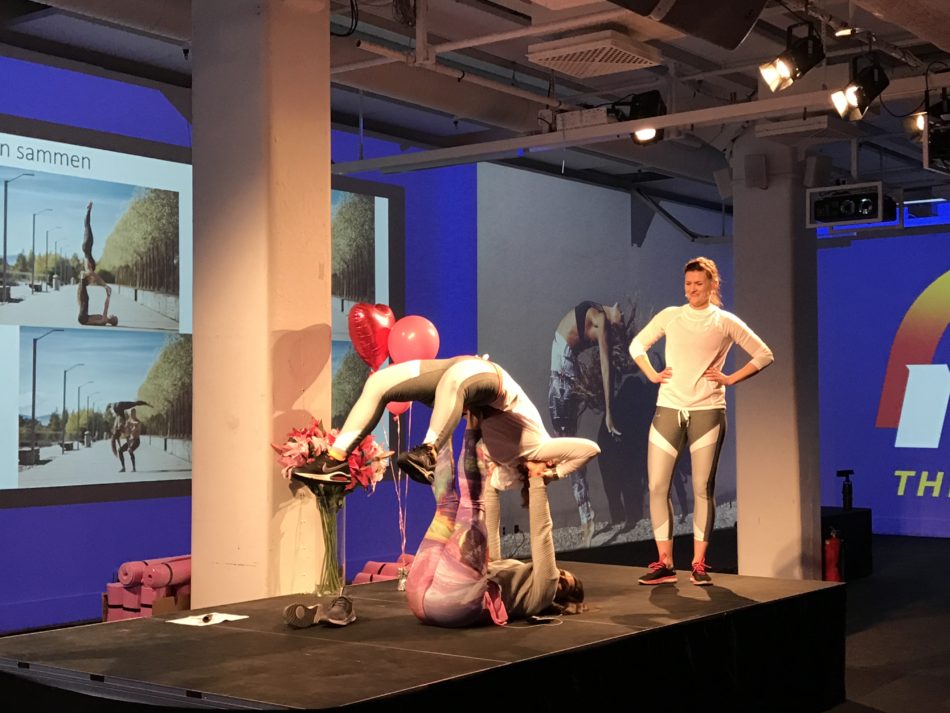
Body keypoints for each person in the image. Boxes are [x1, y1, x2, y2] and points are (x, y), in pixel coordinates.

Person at [628, 257, 773, 586]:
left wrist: (731, 378)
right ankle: (665, 563)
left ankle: (698, 564)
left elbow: (764, 354)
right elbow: (637, 344)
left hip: (707, 411)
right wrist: (652, 373)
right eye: (688, 284)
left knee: (701, 488)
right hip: (669, 408)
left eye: (698, 284)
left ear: (712, 285)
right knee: (656, 486)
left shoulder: (724, 321)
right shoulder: (671, 316)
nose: (692, 290)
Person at [292, 355, 600, 489]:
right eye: (542, 471)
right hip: (489, 379)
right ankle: (423, 453)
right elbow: (589, 449)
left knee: (381, 384)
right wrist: (554, 475)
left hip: (467, 383)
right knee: (384, 384)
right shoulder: (542, 446)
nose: (538, 474)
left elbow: (500, 481)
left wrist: (535, 483)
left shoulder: (507, 464)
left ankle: (337, 461)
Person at [405, 413, 590, 627]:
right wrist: (491, 479)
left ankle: (472, 422)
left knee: (472, 506)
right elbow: (489, 531)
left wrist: (537, 481)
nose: (559, 577)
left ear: (559, 598)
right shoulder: (510, 572)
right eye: (565, 574)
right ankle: (441, 422)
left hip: (453, 604)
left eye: (564, 586)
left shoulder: (543, 592)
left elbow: (542, 535)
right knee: (447, 505)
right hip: (420, 596)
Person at [549, 302, 625, 547]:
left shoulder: (601, 321)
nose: (622, 319)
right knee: (563, 443)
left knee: (565, 445)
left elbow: (605, 366)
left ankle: (586, 518)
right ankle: (586, 516)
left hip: (563, 373)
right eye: (621, 319)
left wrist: (609, 412)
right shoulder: (599, 315)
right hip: (563, 370)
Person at [77, 201, 118, 326]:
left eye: (114, 316)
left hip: (83, 318)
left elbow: (106, 306)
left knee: (87, 227)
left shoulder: (104, 320)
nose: (113, 314)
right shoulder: (103, 320)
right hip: (83, 318)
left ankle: (88, 210)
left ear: (112, 320)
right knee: (84, 299)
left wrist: (106, 288)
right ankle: (88, 210)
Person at [118, 408, 142, 473]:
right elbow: (126, 430)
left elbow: (134, 428)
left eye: (133, 413)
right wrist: (122, 428)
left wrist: (130, 426)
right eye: (131, 413)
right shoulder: (129, 421)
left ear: (135, 413)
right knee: (120, 450)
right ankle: (123, 468)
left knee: (130, 450)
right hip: (131, 440)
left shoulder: (138, 422)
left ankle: (134, 468)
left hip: (136, 441)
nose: (131, 415)